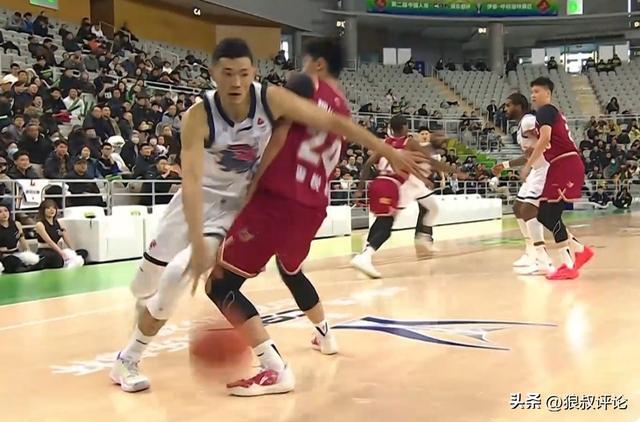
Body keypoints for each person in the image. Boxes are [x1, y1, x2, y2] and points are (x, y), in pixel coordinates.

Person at [109, 37, 418, 394]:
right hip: (195, 200)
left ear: (254, 72)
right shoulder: (198, 115)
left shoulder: (270, 99)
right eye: (228, 73)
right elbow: (191, 181)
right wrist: (194, 236)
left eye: (243, 73)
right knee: (144, 285)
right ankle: (145, 309)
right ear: (214, 74)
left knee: (178, 274)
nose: (236, 81)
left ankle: (127, 359)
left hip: (234, 204)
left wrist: (387, 151)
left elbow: (334, 122)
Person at [206, 39, 420, 397]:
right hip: (313, 205)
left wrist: (251, 189)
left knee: (220, 285)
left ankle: (273, 368)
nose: (300, 69)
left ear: (318, 64)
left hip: (280, 197)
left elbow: (280, 136)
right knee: (290, 269)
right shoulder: (343, 110)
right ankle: (325, 334)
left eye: (305, 62)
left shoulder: (304, 85)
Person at [350, 116, 453, 278]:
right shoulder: (409, 143)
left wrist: (360, 188)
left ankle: (366, 252)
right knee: (386, 226)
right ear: (405, 127)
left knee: (382, 221)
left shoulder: (385, 143)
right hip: (391, 185)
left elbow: (368, 164)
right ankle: (365, 256)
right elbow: (425, 159)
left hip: (377, 183)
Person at [522, 77, 593, 280]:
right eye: (532, 92)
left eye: (537, 91)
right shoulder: (551, 114)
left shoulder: (545, 111)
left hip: (565, 163)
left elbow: (545, 138)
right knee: (545, 215)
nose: (533, 95)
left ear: (547, 93)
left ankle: (569, 263)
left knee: (549, 214)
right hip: (561, 164)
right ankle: (579, 251)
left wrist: (528, 166)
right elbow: (548, 137)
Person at [491, 93, 552, 275]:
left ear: (519, 106)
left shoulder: (529, 121)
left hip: (544, 168)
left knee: (528, 210)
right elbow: (528, 154)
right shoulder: (521, 126)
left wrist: (539, 147)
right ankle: (530, 251)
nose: (505, 109)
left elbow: (548, 139)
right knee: (518, 208)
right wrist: (505, 165)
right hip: (535, 169)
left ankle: (543, 259)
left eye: (508, 105)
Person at [34, 199, 88, 269]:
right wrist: (61, 252)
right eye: (48, 208)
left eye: (54, 208)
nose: (52, 210)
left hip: (56, 250)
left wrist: (73, 251)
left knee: (83, 252)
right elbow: (49, 242)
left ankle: (69, 263)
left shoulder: (57, 223)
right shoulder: (40, 224)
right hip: (45, 251)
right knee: (57, 258)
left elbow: (65, 236)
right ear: (43, 210)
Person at [0, 204, 41, 274]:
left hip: (16, 253)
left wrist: (28, 252)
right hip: (3, 256)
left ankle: (22, 267)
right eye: (0, 212)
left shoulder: (17, 224)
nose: (4, 214)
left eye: (6, 211)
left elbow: (22, 240)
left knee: (34, 259)